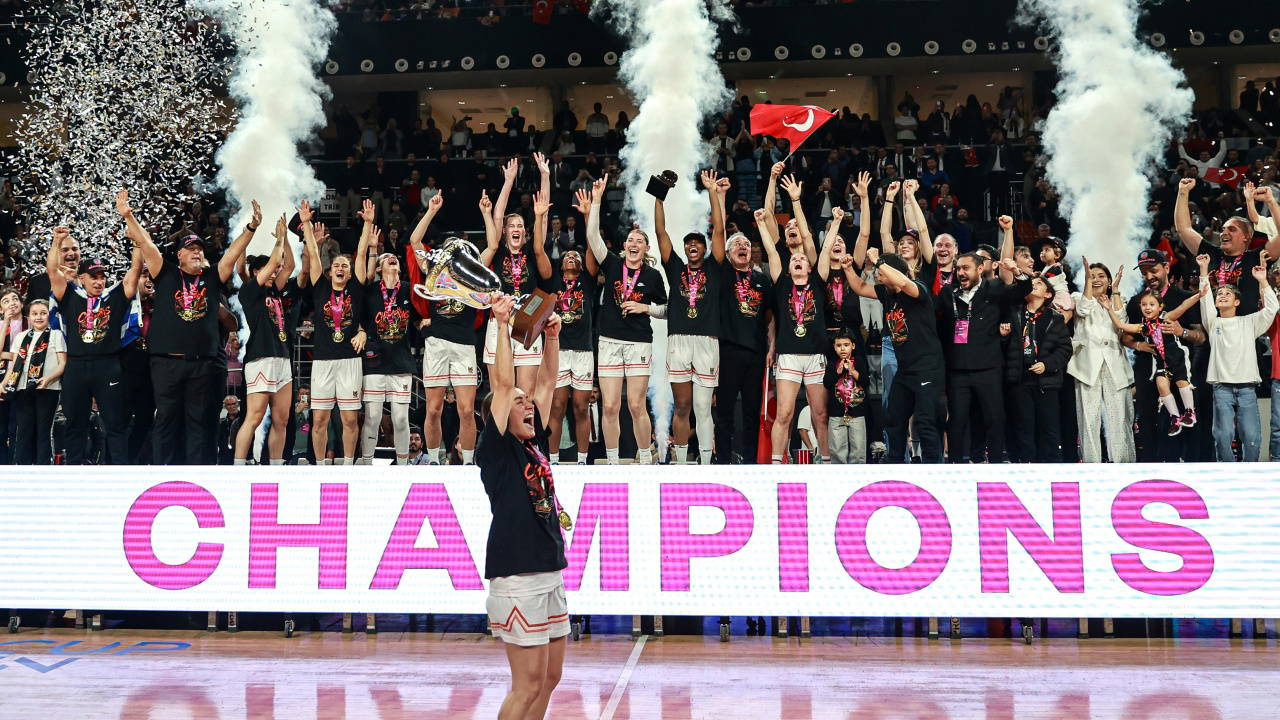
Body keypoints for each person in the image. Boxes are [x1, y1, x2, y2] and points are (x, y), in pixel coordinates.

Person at [476, 293, 567, 720]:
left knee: (549, 679)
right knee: (527, 684)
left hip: (548, 569)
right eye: (518, 402)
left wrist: (553, 338)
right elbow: (501, 384)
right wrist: (500, 324)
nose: (526, 403)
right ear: (497, 415)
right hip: (517, 577)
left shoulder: (534, 443)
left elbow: (546, 385)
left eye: (524, 401)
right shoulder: (496, 449)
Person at [129, 190, 255, 465]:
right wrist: (128, 215)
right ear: (179, 255)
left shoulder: (211, 277)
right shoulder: (166, 272)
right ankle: (163, 470)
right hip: (166, 362)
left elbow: (232, 254)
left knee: (198, 421)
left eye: (200, 249)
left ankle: (196, 473)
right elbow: (146, 243)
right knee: (166, 418)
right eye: (191, 249)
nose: (197, 252)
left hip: (202, 363)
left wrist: (250, 228)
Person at [586, 175, 667, 465]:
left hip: (638, 343)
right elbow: (593, 237)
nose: (634, 243)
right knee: (609, 406)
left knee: (635, 404)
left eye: (639, 241)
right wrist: (596, 201)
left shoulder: (652, 276)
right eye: (630, 240)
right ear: (624, 246)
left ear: (646, 249)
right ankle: (612, 462)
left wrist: (645, 308)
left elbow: (667, 309)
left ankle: (645, 458)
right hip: (609, 340)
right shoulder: (612, 264)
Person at [47, 221, 141, 465]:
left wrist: (137, 242)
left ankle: (119, 472)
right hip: (76, 366)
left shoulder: (114, 296)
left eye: (102, 277)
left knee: (115, 423)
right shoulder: (70, 295)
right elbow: (52, 271)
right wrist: (56, 241)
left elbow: (135, 271)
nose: (99, 282)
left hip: (108, 365)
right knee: (75, 423)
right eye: (93, 277)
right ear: (82, 278)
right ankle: (74, 472)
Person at [843, 251, 945, 463]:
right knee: (893, 418)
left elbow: (905, 283)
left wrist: (878, 261)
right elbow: (860, 288)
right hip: (905, 369)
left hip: (927, 368)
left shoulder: (918, 289)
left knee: (926, 421)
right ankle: (896, 464)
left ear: (893, 272)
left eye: (881, 273)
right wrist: (847, 268)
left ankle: (933, 469)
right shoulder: (886, 293)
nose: (878, 276)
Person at [936, 240, 1030, 464]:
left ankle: (995, 464)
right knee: (957, 420)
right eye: (958, 268)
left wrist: (1017, 272)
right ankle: (955, 464)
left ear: (980, 269)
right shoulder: (948, 292)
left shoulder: (994, 289)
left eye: (966, 268)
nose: (961, 273)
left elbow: (1022, 290)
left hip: (989, 368)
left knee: (994, 419)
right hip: (957, 370)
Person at [657, 170, 728, 464]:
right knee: (682, 406)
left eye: (698, 242)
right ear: (685, 248)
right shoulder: (675, 268)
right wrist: (659, 197)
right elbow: (661, 233)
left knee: (703, 407)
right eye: (689, 243)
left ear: (704, 247)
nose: (693, 245)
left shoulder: (714, 267)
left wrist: (712, 192)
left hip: (707, 340)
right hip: (679, 340)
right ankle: (682, 463)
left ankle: (707, 464)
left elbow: (720, 231)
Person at [756, 206, 830, 464]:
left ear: (809, 267)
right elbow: (772, 252)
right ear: (788, 268)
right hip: (788, 356)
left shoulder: (818, 282)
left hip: (816, 355)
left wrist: (836, 223)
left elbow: (824, 250)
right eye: (794, 260)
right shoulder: (782, 284)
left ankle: (825, 461)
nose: (798, 260)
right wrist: (762, 225)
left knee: (820, 414)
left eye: (802, 260)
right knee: (784, 413)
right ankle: (777, 462)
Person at [411, 193, 480, 466]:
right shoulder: (432, 269)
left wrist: (486, 215)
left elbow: (493, 244)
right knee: (433, 409)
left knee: (466, 410)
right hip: (437, 342)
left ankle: (468, 462)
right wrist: (430, 211)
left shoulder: (475, 272)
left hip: (464, 344)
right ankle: (433, 461)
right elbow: (415, 242)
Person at [300, 199, 367, 465]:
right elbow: (313, 254)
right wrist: (306, 224)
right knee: (319, 418)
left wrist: (368, 224)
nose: (340, 268)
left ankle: (348, 464)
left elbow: (362, 253)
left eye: (345, 266)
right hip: (323, 360)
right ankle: (320, 466)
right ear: (330, 272)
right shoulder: (320, 287)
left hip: (350, 359)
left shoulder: (356, 289)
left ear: (350, 274)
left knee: (350, 418)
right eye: (337, 265)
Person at [1196, 252, 1278, 462]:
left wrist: (1263, 281)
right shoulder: (1213, 323)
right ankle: (1227, 470)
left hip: (1247, 388)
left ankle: (1250, 471)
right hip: (1222, 388)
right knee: (1222, 435)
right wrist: (1204, 271)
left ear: (1237, 302)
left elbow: (1272, 308)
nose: (1222, 295)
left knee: (1251, 437)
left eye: (1228, 294)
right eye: (1219, 294)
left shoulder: (1249, 323)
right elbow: (1205, 300)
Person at [482, 156, 553, 395]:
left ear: (525, 232)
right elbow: (497, 216)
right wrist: (508, 181)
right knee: (500, 392)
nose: (516, 229)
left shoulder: (533, 252)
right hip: (500, 319)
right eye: (512, 226)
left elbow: (542, 215)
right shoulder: (498, 250)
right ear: (504, 231)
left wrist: (545, 176)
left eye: (520, 226)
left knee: (525, 393)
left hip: (527, 317)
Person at [353, 200, 417, 465]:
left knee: (401, 418)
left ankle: (403, 466)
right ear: (379, 268)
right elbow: (361, 269)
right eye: (386, 259)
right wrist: (370, 246)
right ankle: (367, 463)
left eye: (395, 259)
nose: (392, 260)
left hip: (401, 361)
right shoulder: (369, 290)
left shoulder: (408, 289)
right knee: (373, 417)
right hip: (375, 360)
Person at [233, 215, 296, 465]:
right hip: (260, 358)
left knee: (282, 419)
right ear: (256, 272)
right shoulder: (249, 291)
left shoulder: (274, 291)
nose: (274, 273)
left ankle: (276, 467)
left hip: (282, 358)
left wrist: (286, 237)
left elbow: (288, 266)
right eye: (268, 270)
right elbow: (275, 264)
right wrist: (278, 239)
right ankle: (238, 465)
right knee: (254, 416)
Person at [1098, 282, 1200, 436]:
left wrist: (1199, 295)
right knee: (1161, 384)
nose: (1147, 307)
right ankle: (1175, 418)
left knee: (1181, 382)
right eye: (1144, 304)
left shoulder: (1166, 317)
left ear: (1160, 306)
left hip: (1177, 357)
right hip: (1161, 362)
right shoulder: (1143, 327)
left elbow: (1184, 306)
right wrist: (1109, 308)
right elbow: (1120, 325)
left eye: (1152, 304)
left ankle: (1190, 412)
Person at [547, 192, 600, 465]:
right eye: (567, 255)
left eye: (575, 255)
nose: (571, 257)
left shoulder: (588, 280)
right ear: (561, 263)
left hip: (582, 351)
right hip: (558, 350)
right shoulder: (552, 283)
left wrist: (589, 216)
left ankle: (582, 460)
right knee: (556, 406)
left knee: (581, 407)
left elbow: (592, 246)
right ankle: (553, 460)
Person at [714, 227, 773, 464]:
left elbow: (770, 316)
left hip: (756, 354)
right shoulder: (723, 274)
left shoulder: (762, 280)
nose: (743, 247)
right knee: (724, 412)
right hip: (727, 351)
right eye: (737, 244)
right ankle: (723, 462)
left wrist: (772, 347)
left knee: (751, 413)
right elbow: (718, 238)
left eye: (746, 244)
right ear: (728, 253)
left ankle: (750, 463)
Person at [1067, 259, 1136, 463]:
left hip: (1115, 364)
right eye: (1092, 276)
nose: (1096, 279)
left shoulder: (1119, 299)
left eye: (1101, 276)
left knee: (1120, 418)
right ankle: (1091, 465)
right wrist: (1088, 282)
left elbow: (1122, 322)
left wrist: (1115, 290)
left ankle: (1123, 464)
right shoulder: (1077, 297)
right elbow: (1083, 310)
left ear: (1109, 280)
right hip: (1087, 367)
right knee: (1089, 419)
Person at [1007, 277, 1073, 462]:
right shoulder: (1014, 313)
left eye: (1039, 284)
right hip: (1020, 379)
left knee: (1048, 427)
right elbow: (1004, 347)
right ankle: (1027, 464)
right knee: (1023, 426)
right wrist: (1003, 336)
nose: (1033, 285)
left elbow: (1065, 349)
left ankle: (1051, 467)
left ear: (1048, 294)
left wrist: (1047, 365)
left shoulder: (1055, 318)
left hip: (1047, 382)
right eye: (1032, 283)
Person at [3, 299, 65, 464]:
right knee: (24, 430)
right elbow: (13, 365)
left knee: (43, 430)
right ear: (29, 317)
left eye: (43, 313)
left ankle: (43, 466)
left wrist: (49, 378)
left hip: (49, 388)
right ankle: (23, 467)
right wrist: (3, 384)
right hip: (22, 388)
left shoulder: (56, 334)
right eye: (34, 314)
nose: (39, 317)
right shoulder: (21, 336)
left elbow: (63, 364)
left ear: (49, 316)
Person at [825, 329, 869, 463]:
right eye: (839, 345)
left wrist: (853, 371)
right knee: (837, 451)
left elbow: (866, 382)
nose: (842, 348)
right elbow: (827, 383)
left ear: (853, 346)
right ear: (834, 347)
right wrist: (837, 372)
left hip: (857, 413)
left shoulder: (859, 361)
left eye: (846, 345)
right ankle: (838, 475)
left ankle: (857, 475)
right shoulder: (832, 364)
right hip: (836, 414)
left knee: (858, 451)